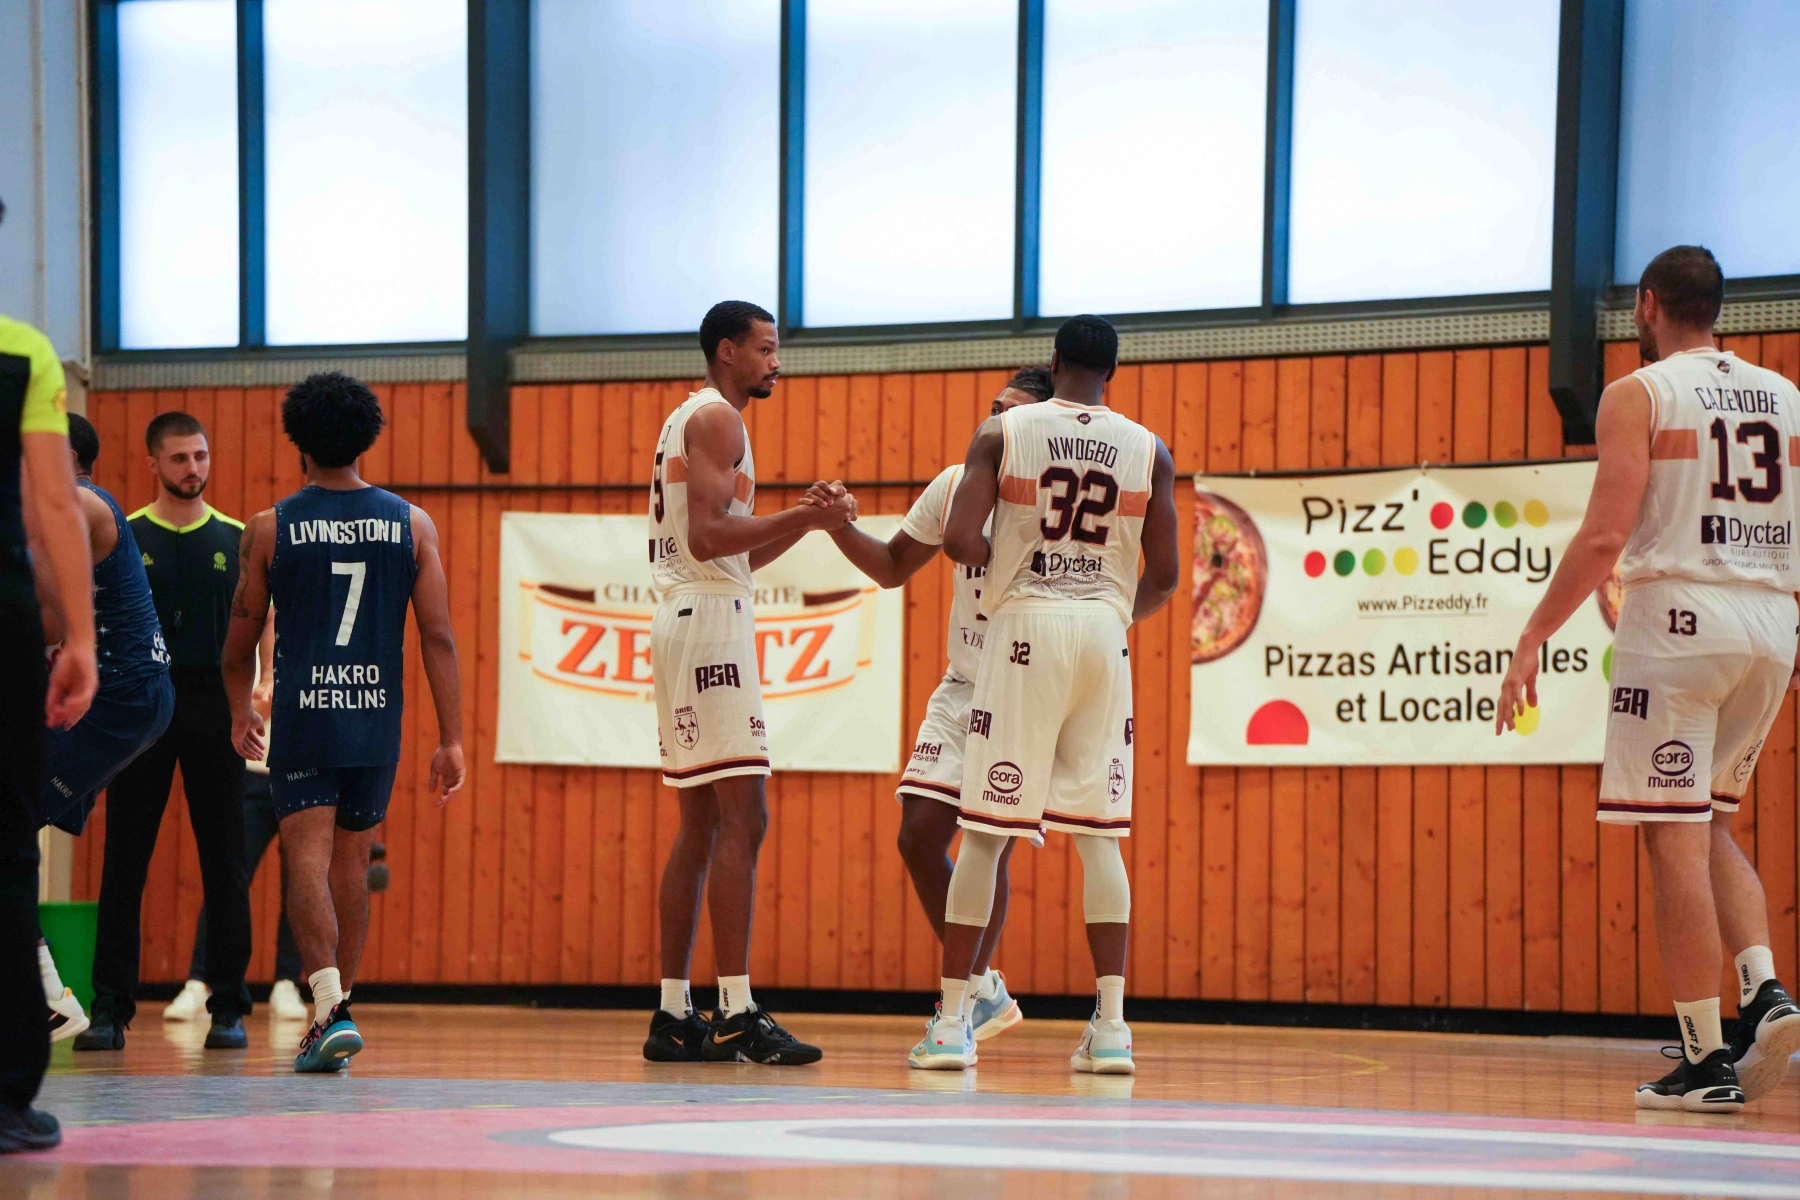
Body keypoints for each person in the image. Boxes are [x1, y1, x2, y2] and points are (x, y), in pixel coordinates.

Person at [1497, 245, 1800, 1114]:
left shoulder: (1640, 392)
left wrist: (1533, 634)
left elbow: (1604, 534)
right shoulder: (1785, 395)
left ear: (1648, 304)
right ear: (1720, 307)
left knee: (1670, 835)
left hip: (1680, 618)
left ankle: (1705, 1061)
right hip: (1772, 621)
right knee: (1709, 823)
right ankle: (1764, 990)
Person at [912, 314, 1179, 1073]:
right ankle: (1112, 1029)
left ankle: (952, 1024)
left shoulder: (1004, 432)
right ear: (1113, 374)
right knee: (1099, 835)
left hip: (1024, 626)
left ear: (1054, 360)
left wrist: (1016, 567)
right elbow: (1165, 576)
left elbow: (960, 540)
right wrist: (1109, 613)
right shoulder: (1150, 449)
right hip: (1102, 633)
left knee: (986, 830)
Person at [222, 371, 466, 1073]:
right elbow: (439, 637)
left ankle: (329, 1009)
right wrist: (452, 738)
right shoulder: (412, 524)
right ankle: (338, 1009)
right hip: (375, 717)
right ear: (367, 439)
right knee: (352, 863)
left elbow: (238, 646)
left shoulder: (270, 528)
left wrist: (240, 711)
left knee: (305, 858)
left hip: (304, 714)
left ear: (297, 440)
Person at [640, 301, 853, 1066]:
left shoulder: (688, 419)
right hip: (707, 622)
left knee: (700, 825)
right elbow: (708, 538)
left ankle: (673, 1013)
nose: (775, 361)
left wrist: (803, 521)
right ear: (727, 350)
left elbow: (733, 552)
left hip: (686, 612)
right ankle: (735, 1010)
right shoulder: (719, 420)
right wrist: (807, 516)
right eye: (765, 348)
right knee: (745, 817)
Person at [820, 366, 1053, 1042]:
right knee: (918, 835)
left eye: (1011, 414)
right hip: (962, 685)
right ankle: (983, 989)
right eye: (993, 408)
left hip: (1025, 687)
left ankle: (964, 1002)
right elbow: (893, 566)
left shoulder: (1055, 504)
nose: (994, 421)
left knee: (988, 845)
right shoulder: (955, 485)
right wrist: (837, 527)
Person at [83, 411, 255, 1050]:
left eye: (201, 456)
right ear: (154, 463)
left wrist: (248, 703)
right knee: (125, 859)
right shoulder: (122, 533)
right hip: (140, 706)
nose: (193, 468)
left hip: (214, 705)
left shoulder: (237, 537)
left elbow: (258, 625)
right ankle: (110, 1011)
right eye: (180, 458)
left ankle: (229, 1006)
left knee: (225, 859)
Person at [27, 416, 175, 1049]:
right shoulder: (71, 510)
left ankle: (47, 998)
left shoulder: (82, 506)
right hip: (126, 698)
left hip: (120, 697)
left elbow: (43, 614)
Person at [1, 279, 97, 1154]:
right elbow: (51, 506)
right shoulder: (23, 350)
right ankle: (7, 1097)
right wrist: (79, 638)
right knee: (7, 846)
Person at [167, 618, 311, 1024]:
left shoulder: (314, 630)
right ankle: (199, 980)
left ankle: (287, 982)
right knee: (229, 877)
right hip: (253, 773)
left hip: (302, 773)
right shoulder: (250, 627)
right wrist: (263, 697)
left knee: (302, 882)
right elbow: (238, 703)